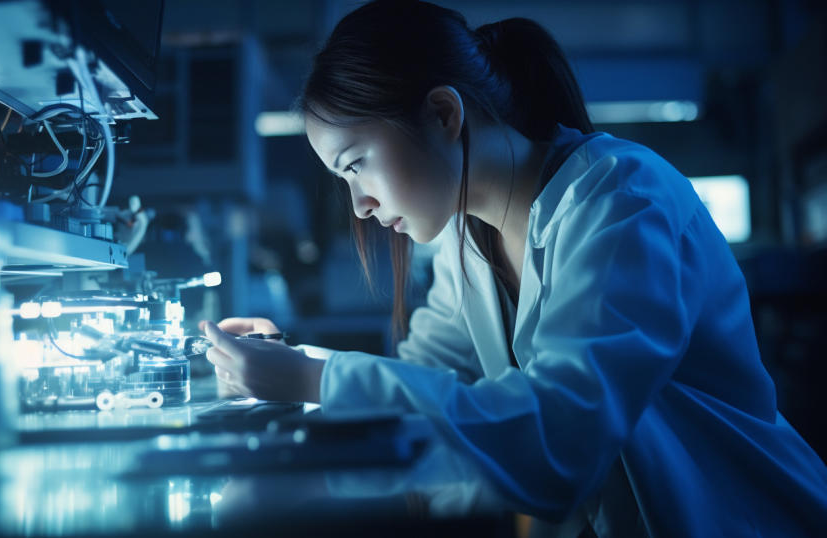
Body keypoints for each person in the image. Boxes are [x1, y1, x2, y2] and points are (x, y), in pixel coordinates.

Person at [201, 0, 827, 534]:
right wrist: (296, 362)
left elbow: (561, 441)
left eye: (356, 162)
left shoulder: (621, 199)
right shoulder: (466, 241)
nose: (359, 205)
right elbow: (430, 387)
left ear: (444, 114)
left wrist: (314, 378)